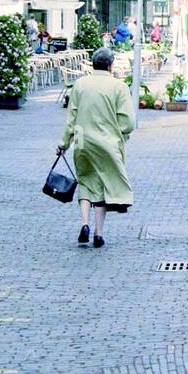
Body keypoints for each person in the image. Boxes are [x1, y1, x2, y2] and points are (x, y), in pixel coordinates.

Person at [58, 47, 133, 250]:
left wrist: (64, 143)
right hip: (106, 142)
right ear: (111, 65)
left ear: (93, 64)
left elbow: (71, 119)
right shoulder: (119, 86)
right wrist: (121, 135)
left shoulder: (80, 84)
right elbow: (128, 122)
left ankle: (84, 223)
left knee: (85, 181)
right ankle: (99, 234)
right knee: (102, 184)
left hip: (82, 140)